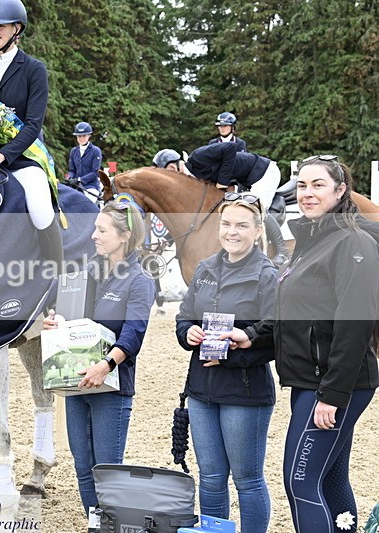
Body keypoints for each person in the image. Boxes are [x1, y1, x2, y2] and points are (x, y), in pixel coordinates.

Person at [222, 155, 379, 533]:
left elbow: (355, 325)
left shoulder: (352, 243)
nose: (307, 194)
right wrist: (254, 336)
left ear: (341, 191)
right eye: (303, 186)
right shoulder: (312, 240)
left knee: (301, 482)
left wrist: (332, 393)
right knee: (329, 479)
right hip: (310, 380)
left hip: (331, 384)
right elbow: (293, 309)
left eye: (318, 185)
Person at [43, 203, 156, 519]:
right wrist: (53, 321)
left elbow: (134, 334)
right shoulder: (83, 272)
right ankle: (97, 526)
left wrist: (106, 364)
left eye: (101, 230)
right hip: (77, 383)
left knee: (107, 471)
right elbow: (64, 312)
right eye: (94, 227)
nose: (93, 235)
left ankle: (114, 525)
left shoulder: (139, 280)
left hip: (111, 386)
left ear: (124, 236)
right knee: (82, 467)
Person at [175, 193, 277, 533]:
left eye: (242, 225)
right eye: (227, 224)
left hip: (244, 391)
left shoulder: (268, 275)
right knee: (212, 476)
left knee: (247, 479)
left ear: (258, 231)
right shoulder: (204, 269)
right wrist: (187, 332)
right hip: (202, 390)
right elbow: (184, 317)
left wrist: (236, 348)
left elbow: (277, 334)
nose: (232, 232)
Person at [0, 0, 63, 268]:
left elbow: (33, 125)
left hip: (24, 158)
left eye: (0, 26)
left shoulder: (34, 69)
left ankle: (56, 275)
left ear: (17, 28)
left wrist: (1, 155)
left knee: (41, 209)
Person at [156, 143, 290, 266]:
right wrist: (168, 239)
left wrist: (222, 181)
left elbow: (231, 147)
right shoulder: (191, 181)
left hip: (264, 172)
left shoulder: (197, 157)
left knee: (256, 209)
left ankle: (282, 252)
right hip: (246, 180)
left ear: (172, 168)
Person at [66, 121, 103, 202]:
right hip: (76, 186)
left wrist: (79, 179)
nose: (81, 138)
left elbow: (95, 172)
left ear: (89, 136)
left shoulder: (95, 151)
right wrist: (69, 178)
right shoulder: (74, 151)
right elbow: (72, 170)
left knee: (87, 203)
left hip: (91, 186)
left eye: (84, 136)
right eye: (79, 136)